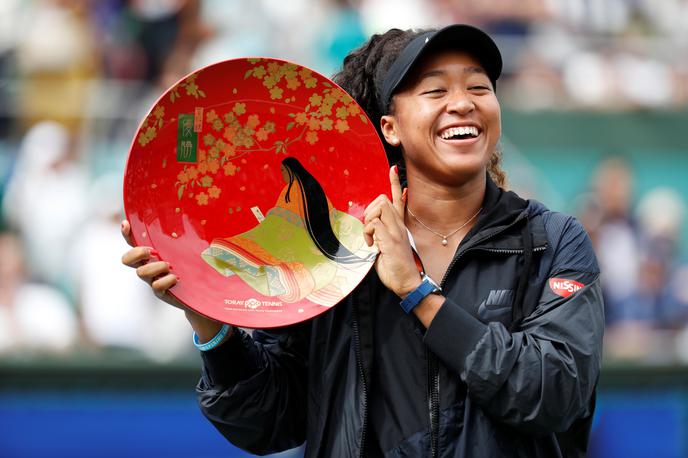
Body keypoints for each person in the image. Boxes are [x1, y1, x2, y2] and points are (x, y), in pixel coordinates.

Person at [121, 24, 604, 457]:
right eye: (435, 90)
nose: (463, 102)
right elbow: (267, 424)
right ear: (389, 127)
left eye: (479, 87)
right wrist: (208, 319)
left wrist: (417, 293)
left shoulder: (551, 240)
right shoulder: (327, 256)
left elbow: (556, 396)